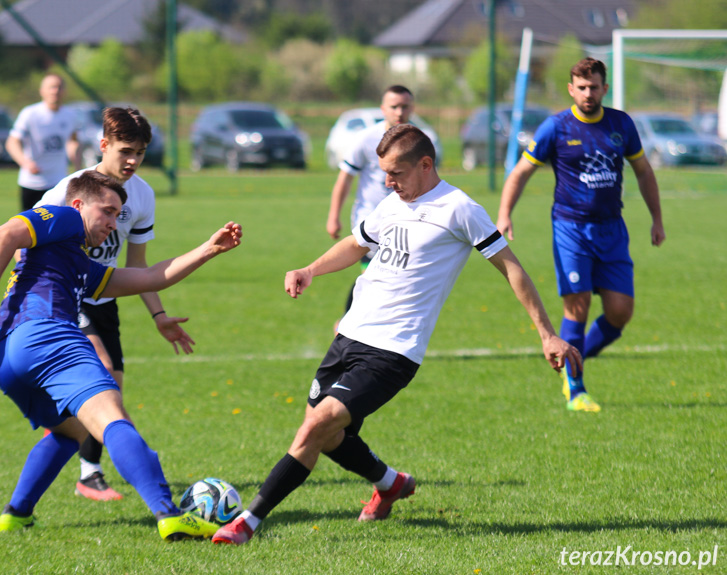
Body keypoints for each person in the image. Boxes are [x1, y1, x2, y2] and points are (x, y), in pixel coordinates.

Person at [212, 124, 581, 545]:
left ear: (425, 165)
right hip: (350, 334)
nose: (388, 181)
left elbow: (512, 268)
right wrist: (309, 270)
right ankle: (390, 483)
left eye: (396, 173)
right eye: (384, 173)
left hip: (395, 350)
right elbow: (356, 244)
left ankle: (246, 522)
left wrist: (547, 333)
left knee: (314, 426)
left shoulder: (460, 209)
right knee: (328, 436)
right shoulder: (392, 202)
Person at [0, 170, 242, 541]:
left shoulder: (79, 265)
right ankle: (168, 513)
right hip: (47, 335)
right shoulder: (65, 218)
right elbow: (2, 235)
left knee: (72, 430)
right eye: (106, 211)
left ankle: (17, 514)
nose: (113, 222)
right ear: (78, 204)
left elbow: (151, 276)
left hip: (5, 355)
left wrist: (208, 249)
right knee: (112, 418)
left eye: (118, 214)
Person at [35, 107, 192, 502]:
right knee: (102, 373)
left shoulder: (142, 195)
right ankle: (91, 475)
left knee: (109, 396)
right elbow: (27, 238)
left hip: (105, 298)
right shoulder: (70, 189)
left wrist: (158, 315)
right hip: (65, 296)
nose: (133, 161)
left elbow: (138, 267)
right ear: (103, 145)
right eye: (125, 150)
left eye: (139, 152)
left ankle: (51, 464)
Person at [496, 57, 665, 413]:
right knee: (578, 306)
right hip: (570, 228)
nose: (588, 93)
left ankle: (573, 355)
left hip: (612, 228)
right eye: (582, 87)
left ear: (605, 88)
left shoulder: (621, 125)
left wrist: (656, 219)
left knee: (620, 312)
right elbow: (520, 173)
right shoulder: (555, 128)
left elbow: (644, 172)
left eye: (595, 87)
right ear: (571, 89)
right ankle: (576, 390)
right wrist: (504, 214)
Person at [326, 85, 422, 324]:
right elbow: (345, 178)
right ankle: (349, 321)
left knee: (393, 277)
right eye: (394, 106)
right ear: (383, 109)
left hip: (406, 220)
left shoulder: (419, 142)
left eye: (405, 106)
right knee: (377, 274)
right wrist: (333, 216)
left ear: (412, 108)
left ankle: (356, 322)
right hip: (370, 219)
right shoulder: (366, 139)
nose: (399, 112)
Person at [6, 73, 82, 211]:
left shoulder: (70, 115)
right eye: (51, 87)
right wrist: (25, 162)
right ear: (42, 91)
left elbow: (73, 141)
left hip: (58, 182)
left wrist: (77, 169)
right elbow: (12, 142)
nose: (55, 91)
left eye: (59, 87)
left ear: (64, 91)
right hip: (32, 182)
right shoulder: (30, 113)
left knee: (56, 229)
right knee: (29, 229)